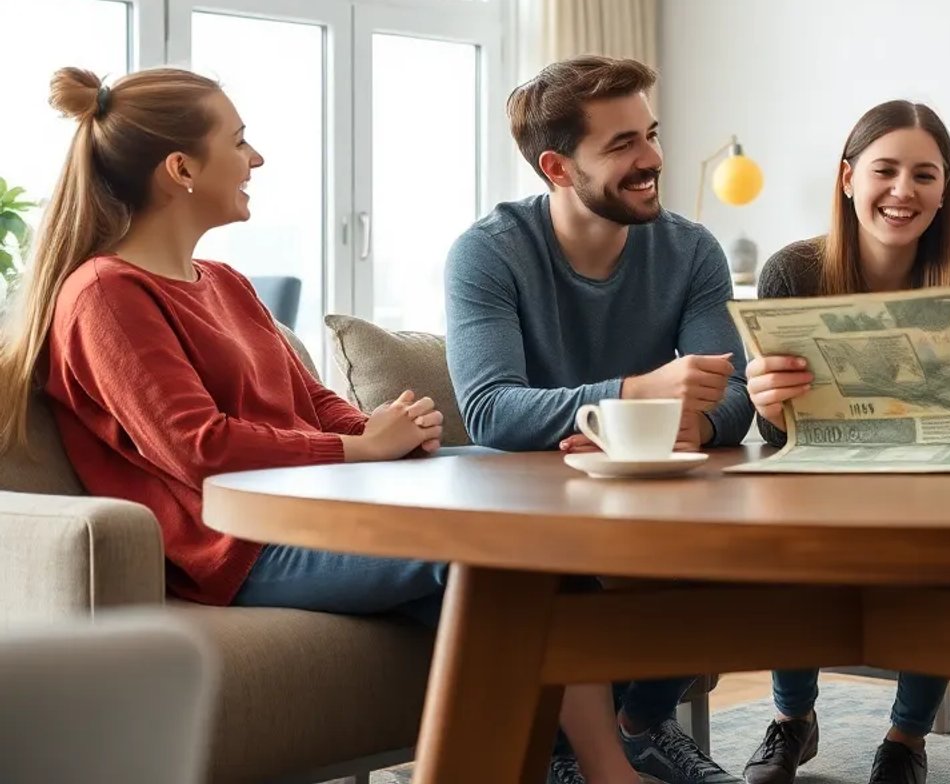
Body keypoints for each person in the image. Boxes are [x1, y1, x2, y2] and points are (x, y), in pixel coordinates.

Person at [0, 67, 635, 784]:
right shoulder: (105, 295)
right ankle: (604, 771)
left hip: (313, 516)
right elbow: (198, 448)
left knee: (521, 481)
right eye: (239, 143)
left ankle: (574, 758)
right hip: (237, 546)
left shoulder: (227, 284)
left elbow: (310, 400)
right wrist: (359, 446)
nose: (256, 160)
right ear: (180, 169)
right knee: (484, 550)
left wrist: (387, 426)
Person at [444, 55, 751, 784]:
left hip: (648, 490)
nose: (651, 159)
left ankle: (644, 724)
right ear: (556, 166)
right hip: (535, 503)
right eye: (621, 146)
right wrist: (640, 396)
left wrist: (695, 428)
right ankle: (567, 756)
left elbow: (733, 401)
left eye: (649, 134)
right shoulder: (487, 254)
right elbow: (489, 410)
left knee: (745, 540)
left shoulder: (690, 249)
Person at [741, 100, 950, 784]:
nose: (903, 191)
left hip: (931, 488)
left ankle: (905, 739)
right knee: (788, 536)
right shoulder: (793, 272)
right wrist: (766, 401)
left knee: (942, 547)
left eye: (925, 175)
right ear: (849, 178)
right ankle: (793, 720)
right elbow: (775, 433)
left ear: (945, 191)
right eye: (886, 170)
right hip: (819, 481)